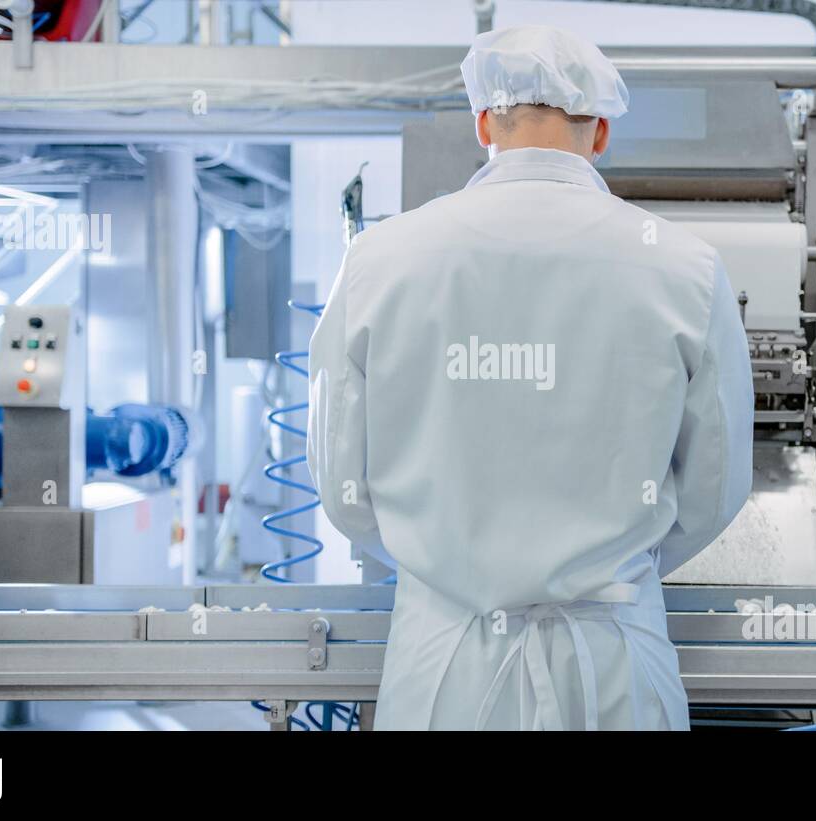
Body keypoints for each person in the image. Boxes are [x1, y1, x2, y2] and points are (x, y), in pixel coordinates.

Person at [307, 24, 753, 730]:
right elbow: (716, 489)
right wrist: (608, 570)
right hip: (614, 671)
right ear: (601, 131)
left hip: (442, 670)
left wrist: (448, 571)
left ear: (483, 120)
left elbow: (341, 487)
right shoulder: (685, 268)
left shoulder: (379, 261)